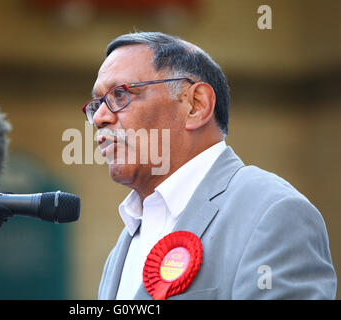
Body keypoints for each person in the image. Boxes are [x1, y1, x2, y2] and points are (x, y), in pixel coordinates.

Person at [82, 32, 337, 299]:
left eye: (120, 94)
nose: (99, 117)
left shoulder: (273, 212)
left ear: (196, 105)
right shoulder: (126, 242)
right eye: (97, 103)